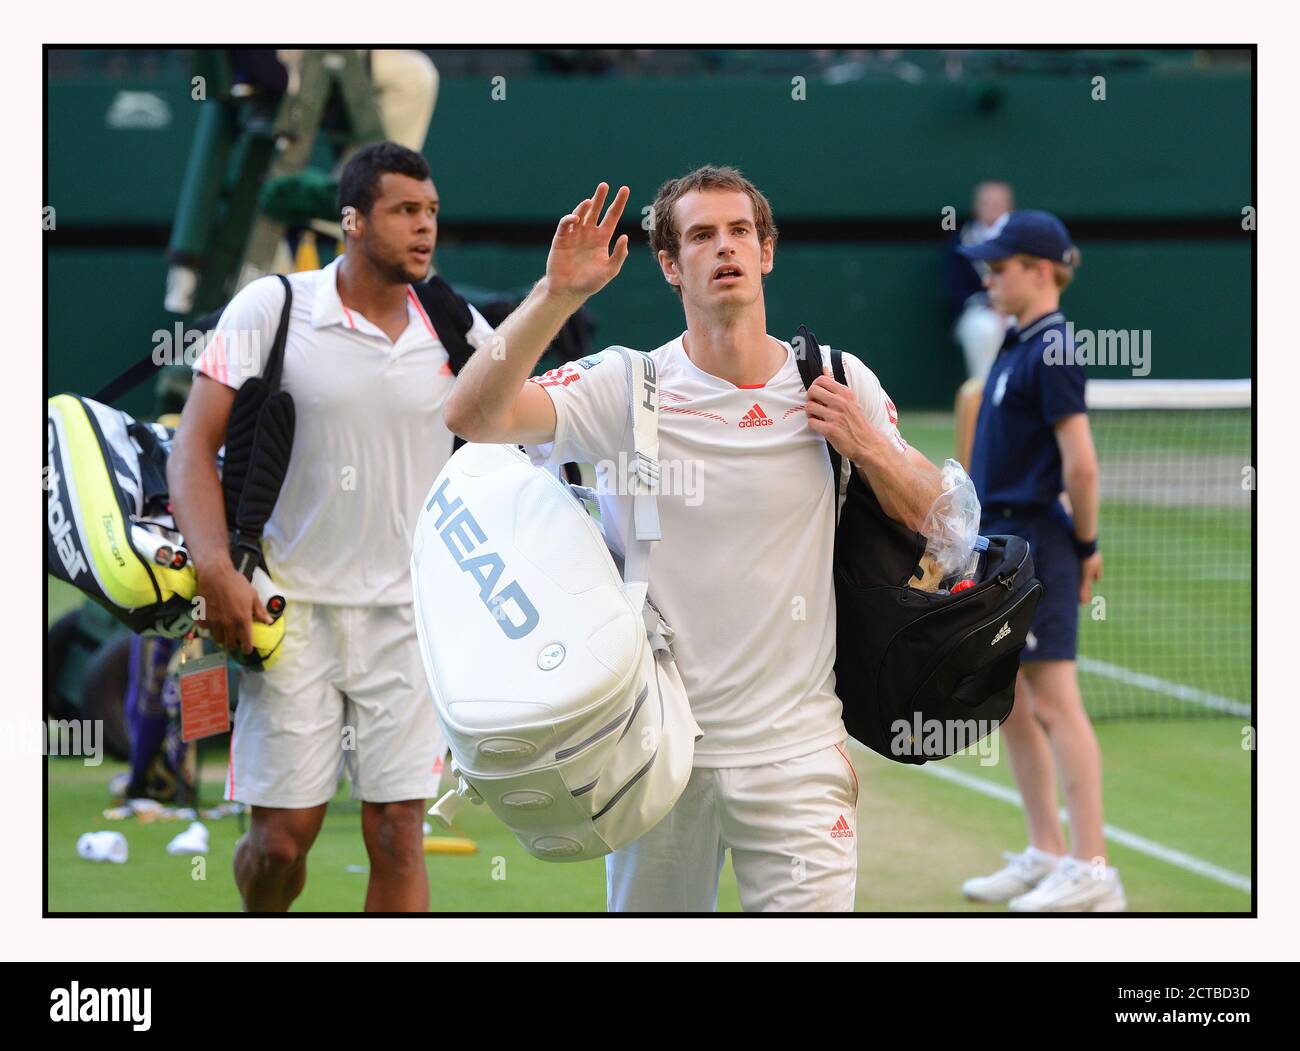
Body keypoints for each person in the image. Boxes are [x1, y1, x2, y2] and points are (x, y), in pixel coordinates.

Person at [444, 166, 942, 912]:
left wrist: (868, 446)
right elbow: (473, 416)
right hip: (656, 751)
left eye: (741, 231)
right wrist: (559, 294)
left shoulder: (837, 378)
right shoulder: (625, 385)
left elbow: (941, 518)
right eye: (702, 235)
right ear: (672, 266)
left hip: (799, 754)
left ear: (766, 252)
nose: (727, 247)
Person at [168, 141, 492, 912]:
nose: (425, 228)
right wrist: (215, 567)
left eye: (432, 212)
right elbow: (191, 445)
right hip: (286, 613)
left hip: (409, 622)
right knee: (281, 841)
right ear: (351, 221)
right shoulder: (271, 307)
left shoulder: (455, 324)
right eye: (405, 211)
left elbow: (515, 439)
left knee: (396, 832)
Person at [956, 210, 1125, 912]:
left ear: (1040, 268)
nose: (990, 277)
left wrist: (1084, 547)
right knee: (1013, 703)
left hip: (1038, 545)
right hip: (1001, 544)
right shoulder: (1017, 344)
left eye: (1001, 266)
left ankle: (1093, 868)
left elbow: (1080, 467)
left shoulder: (1052, 347)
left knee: (1055, 702)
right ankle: (1046, 850)